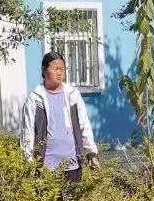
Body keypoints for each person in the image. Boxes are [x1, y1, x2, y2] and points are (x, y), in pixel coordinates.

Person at [20, 51, 99, 183]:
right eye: (55, 68)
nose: (59, 72)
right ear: (44, 70)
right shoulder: (35, 99)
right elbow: (27, 132)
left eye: (62, 69)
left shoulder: (73, 95)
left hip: (72, 163)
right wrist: (28, 161)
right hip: (46, 165)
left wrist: (91, 152)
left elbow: (84, 125)